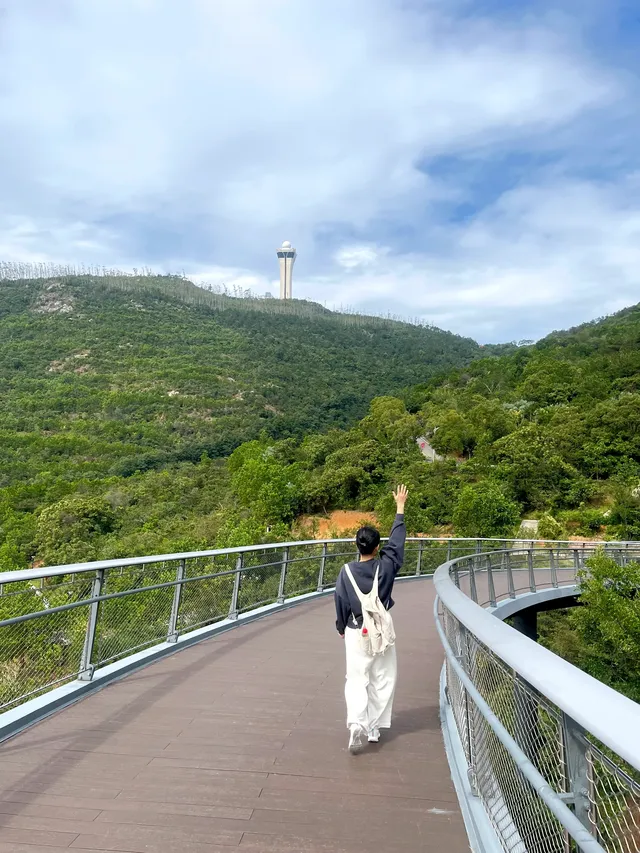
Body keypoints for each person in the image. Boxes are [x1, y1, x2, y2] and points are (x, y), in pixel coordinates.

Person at [334, 485, 408, 753]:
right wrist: (399, 509)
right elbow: (397, 545)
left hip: (355, 631)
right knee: (383, 678)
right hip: (381, 632)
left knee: (356, 679)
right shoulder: (386, 566)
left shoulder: (345, 572)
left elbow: (340, 601)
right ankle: (374, 727)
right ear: (378, 547)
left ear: (357, 546)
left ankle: (356, 723)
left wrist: (341, 627)